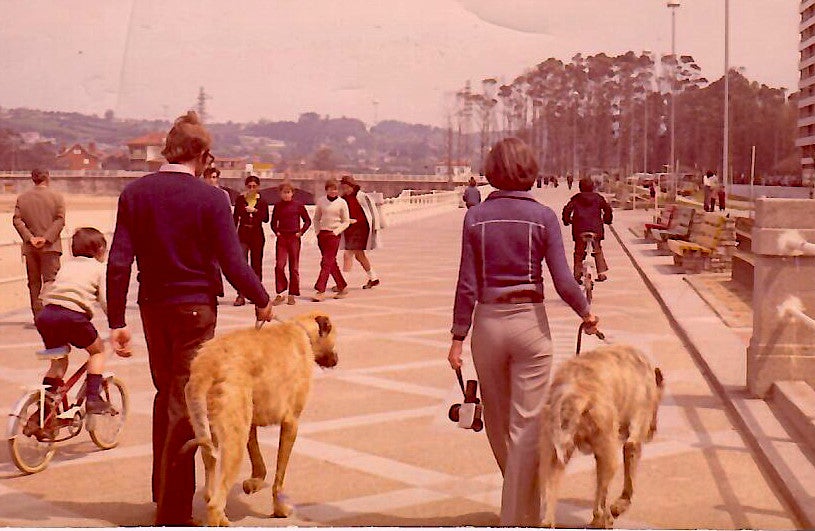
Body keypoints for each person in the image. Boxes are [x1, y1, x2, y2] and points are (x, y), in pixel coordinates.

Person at [106, 111, 273, 526]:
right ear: (201, 153)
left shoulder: (135, 193)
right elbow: (233, 260)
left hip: (153, 307)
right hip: (196, 309)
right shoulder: (212, 198)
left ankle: (163, 492)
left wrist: (115, 321)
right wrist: (261, 298)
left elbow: (119, 261)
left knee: (168, 396)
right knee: (186, 403)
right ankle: (175, 514)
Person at [448, 137, 599, 526]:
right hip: (531, 323)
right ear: (530, 170)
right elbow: (563, 278)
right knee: (527, 425)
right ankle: (522, 512)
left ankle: (516, 511)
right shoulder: (544, 217)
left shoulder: (475, 217)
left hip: (488, 324)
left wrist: (457, 337)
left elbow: (466, 283)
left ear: (492, 171)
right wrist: (586, 312)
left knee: (498, 426)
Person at [35, 228, 129, 415]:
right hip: (72, 317)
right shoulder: (100, 269)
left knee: (58, 362)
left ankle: (45, 410)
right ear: (101, 249)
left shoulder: (67, 266)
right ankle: (93, 399)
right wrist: (116, 322)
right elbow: (105, 300)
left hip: (47, 315)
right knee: (97, 351)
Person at [13, 168, 66, 320]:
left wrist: (30, 238)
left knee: (34, 283)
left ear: (32, 179)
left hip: (30, 248)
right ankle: (52, 314)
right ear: (47, 177)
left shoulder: (22, 198)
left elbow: (17, 220)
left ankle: (38, 315)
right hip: (51, 247)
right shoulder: (57, 197)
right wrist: (47, 238)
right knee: (51, 281)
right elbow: (60, 219)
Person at [562, 177, 613, 283]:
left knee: (579, 253)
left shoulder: (576, 198)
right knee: (597, 250)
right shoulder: (599, 198)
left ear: (580, 187)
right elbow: (607, 209)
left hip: (579, 229)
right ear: (593, 187)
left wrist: (567, 220)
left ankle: (576, 275)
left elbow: (567, 210)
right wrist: (607, 220)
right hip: (596, 229)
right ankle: (601, 273)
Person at [271, 181, 311, 305]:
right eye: (284, 192)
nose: (286, 195)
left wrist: (301, 232)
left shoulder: (298, 205)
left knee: (293, 267)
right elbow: (273, 222)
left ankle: (292, 293)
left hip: (294, 237)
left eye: (288, 192)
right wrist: (276, 232)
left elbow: (307, 221)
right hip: (282, 238)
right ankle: (280, 292)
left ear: (292, 193)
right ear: (280, 194)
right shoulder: (278, 206)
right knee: (279, 265)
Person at [340, 174, 382, 289]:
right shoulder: (343, 199)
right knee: (359, 255)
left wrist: (375, 227)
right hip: (349, 230)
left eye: (347, 187)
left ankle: (342, 283)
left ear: (353, 186)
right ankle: (373, 278)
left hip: (360, 230)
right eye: (343, 188)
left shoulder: (362, 196)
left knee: (347, 254)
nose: (346, 190)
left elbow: (372, 212)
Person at [232, 175, 269, 306]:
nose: (252, 189)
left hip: (257, 234)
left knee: (256, 264)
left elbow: (266, 219)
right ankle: (240, 294)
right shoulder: (241, 200)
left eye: (254, 186)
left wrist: (255, 211)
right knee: (242, 264)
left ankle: (257, 293)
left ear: (258, 187)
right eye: (249, 186)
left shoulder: (262, 201)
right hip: (243, 233)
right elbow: (235, 218)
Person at [312, 177, 350, 301]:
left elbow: (346, 221)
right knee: (330, 262)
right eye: (330, 189)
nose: (333, 192)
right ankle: (342, 286)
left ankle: (320, 290)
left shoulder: (342, 203)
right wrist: (317, 232)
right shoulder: (321, 201)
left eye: (335, 189)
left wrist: (336, 232)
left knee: (325, 262)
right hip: (322, 235)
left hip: (334, 235)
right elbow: (316, 218)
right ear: (326, 190)